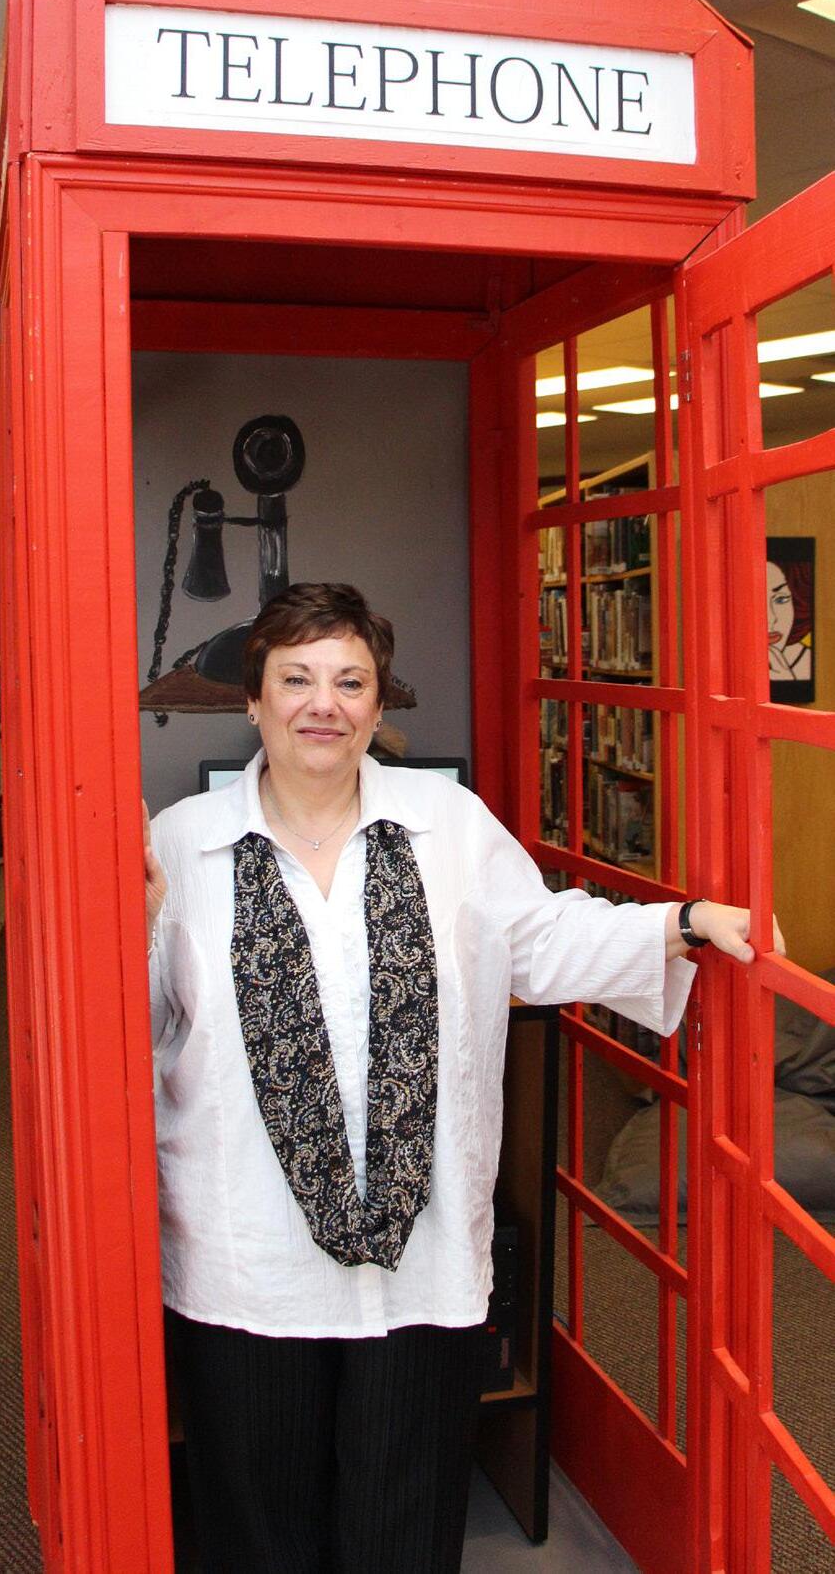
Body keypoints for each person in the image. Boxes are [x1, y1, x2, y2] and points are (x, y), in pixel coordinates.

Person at [143, 581, 783, 1574]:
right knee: (257, 1527)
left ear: (378, 703)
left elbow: (539, 936)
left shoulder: (449, 825)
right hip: (245, 1255)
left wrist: (684, 923)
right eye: (297, 679)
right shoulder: (179, 847)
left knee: (403, 1524)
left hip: (422, 1255)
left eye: (350, 681)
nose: (323, 704)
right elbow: (130, 1030)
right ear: (254, 699)